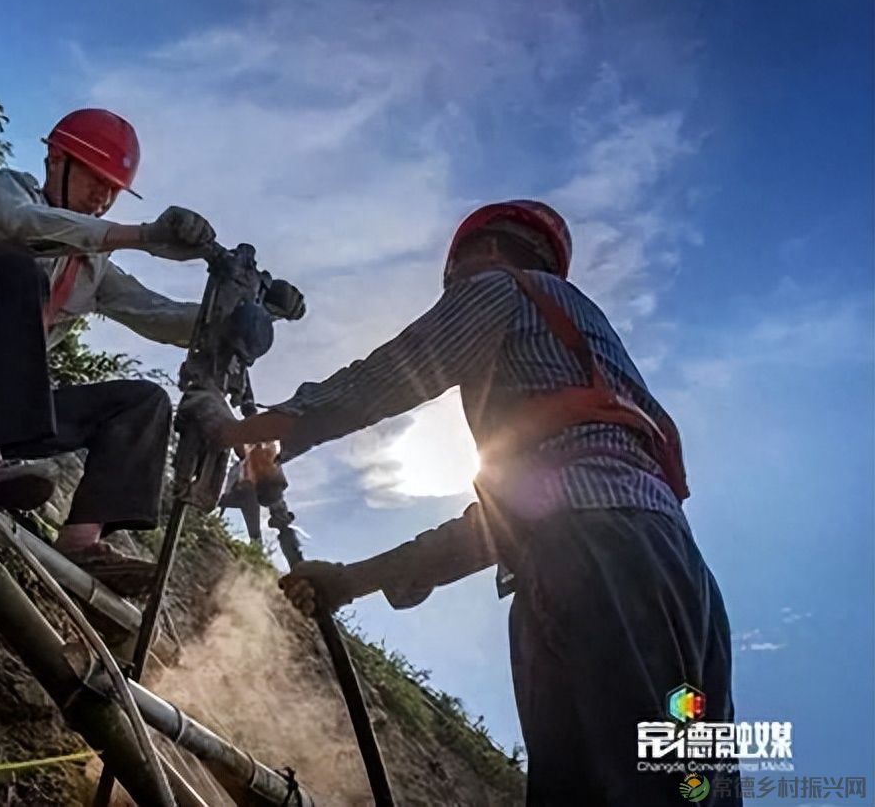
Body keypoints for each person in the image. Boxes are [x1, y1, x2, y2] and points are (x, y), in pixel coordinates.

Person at [181, 200, 740, 806]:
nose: (452, 292)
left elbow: (394, 373)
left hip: (594, 564)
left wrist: (251, 430)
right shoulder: (589, 374)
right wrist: (351, 580)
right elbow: (500, 525)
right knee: (690, 786)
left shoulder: (501, 287)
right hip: (685, 582)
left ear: (487, 251)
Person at [0, 108, 252, 592]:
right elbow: (23, 226)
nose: (102, 196)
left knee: (143, 401)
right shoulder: (3, 190)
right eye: (94, 179)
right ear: (56, 160)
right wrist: (144, 236)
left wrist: (236, 316)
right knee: (17, 270)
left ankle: (82, 539)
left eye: (112, 188)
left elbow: (156, 313)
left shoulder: (92, 268)